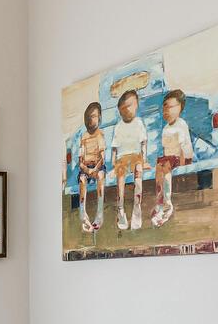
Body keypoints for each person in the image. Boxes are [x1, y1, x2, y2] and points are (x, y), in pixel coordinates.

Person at [152, 89, 192, 227]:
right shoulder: (166, 129)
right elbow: (165, 149)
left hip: (181, 158)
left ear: (180, 108)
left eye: (170, 107)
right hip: (170, 158)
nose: (166, 111)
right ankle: (159, 201)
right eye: (164, 109)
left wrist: (182, 166)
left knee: (165, 165)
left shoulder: (181, 124)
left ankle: (167, 202)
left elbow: (183, 148)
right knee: (159, 166)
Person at [110, 89, 148, 230]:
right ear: (120, 111)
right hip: (122, 158)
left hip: (136, 156)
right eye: (124, 108)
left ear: (137, 105)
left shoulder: (138, 123)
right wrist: (113, 163)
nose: (127, 110)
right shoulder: (118, 127)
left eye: (130, 105)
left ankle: (136, 208)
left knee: (138, 171)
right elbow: (114, 148)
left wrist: (144, 159)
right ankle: (120, 209)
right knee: (120, 176)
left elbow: (143, 142)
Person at [74, 101, 107, 232]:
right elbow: (80, 160)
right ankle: (83, 213)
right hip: (86, 168)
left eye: (93, 116)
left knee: (100, 176)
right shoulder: (84, 137)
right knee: (82, 180)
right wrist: (87, 169)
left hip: (98, 167)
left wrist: (95, 169)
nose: (90, 119)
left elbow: (103, 158)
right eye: (88, 117)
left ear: (99, 118)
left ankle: (99, 214)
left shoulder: (100, 135)